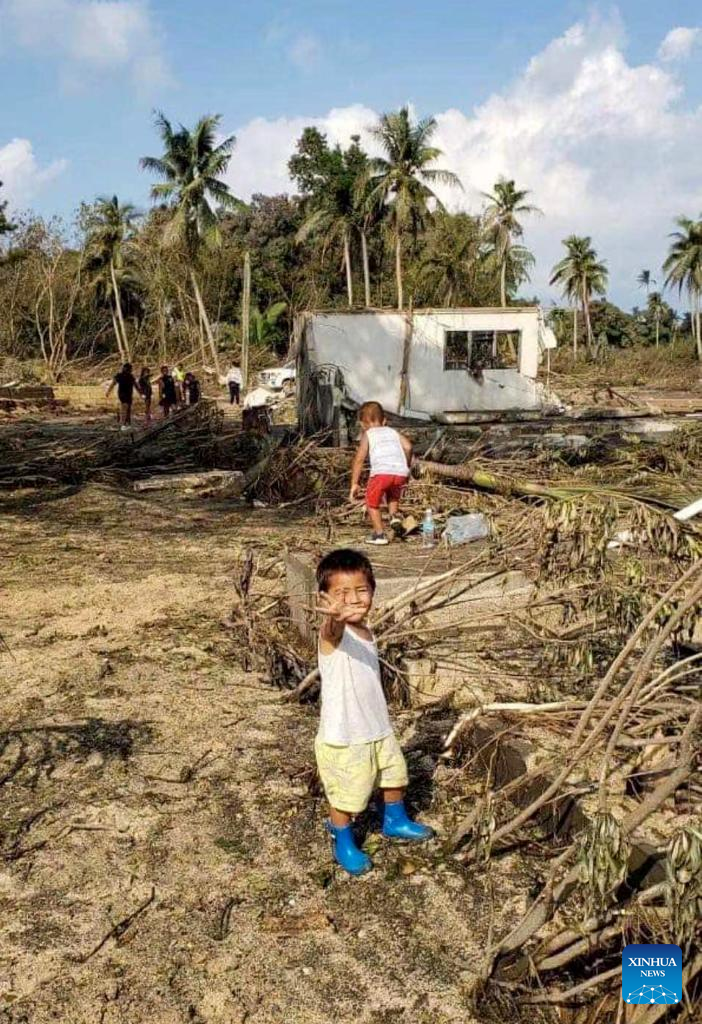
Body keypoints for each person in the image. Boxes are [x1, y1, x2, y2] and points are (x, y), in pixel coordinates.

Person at [315, 548, 433, 876]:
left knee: (394, 776)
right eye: (341, 593)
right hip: (346, 737)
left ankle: (394, 820)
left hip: (377, 728)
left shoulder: (366, 631)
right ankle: (343, 840)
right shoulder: (332, 635)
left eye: (361, 590)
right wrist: (332, 617)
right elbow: (331, 631)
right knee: (347, 796)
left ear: (373, 591)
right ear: (325, 598)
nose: (353, 599)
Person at [349, 400, 412, 545]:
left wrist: (354, 483)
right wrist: (406, 466)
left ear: (362, 424)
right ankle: (393, 516)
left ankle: (379, 535)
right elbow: (408, 447)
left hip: (381, 473)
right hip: (400, 472)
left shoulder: (368, 434)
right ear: (384, 421)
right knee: (392, 495)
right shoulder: (393, 432)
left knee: (372, 503)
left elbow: (359, 460)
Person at [107, 362, 139, 431]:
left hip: (129, 394)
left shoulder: (131, 376)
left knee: (128, 409)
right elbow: (113, 384)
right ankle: (123, 425)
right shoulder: (120, 375)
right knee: (124, 408)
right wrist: (108, 391)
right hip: (122, 394)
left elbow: (136, 385)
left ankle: (127, 424)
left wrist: (141, 392)